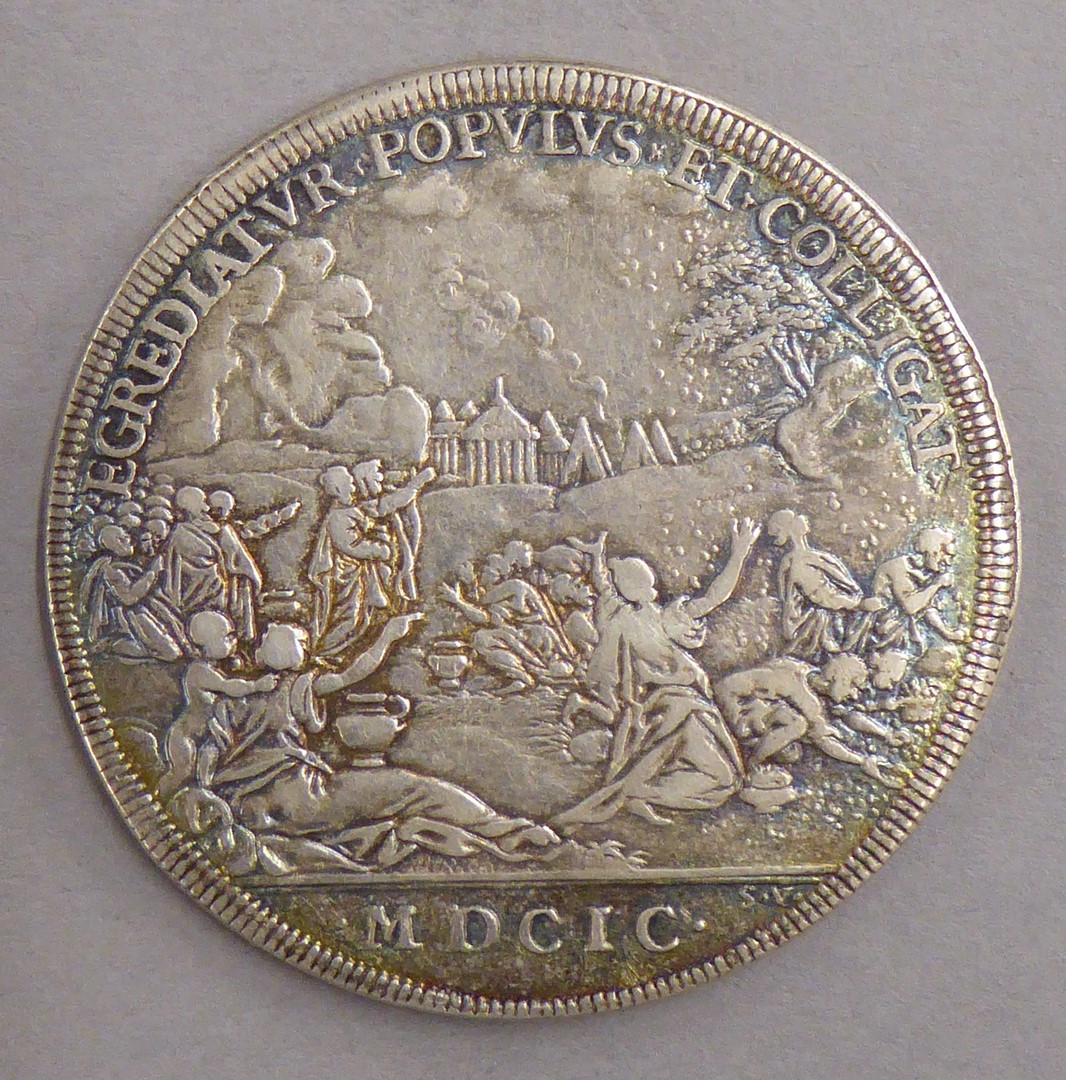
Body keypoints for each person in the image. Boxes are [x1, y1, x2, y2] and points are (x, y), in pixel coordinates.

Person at [210, 617, 561, 866]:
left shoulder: (236, 694)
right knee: (415, 789)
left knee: (402, 790)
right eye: (302, 643)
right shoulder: (297, 686)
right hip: (310, 800)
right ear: (289, 651)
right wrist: (388, 636)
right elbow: (355, 672)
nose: (307, 647)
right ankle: (504, 830)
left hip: (260, 800)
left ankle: (500, 827)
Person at [550, 521, 759, 829]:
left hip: (657, 712)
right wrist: (739, 553)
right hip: (684, 710)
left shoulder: (618, 618)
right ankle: (634, 794)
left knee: (721, 777)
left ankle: (634, 794)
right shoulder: (665, 617)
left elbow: (604, 587)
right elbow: (714, 597)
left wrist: (597, 559)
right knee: (724, 779)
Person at [715, 654, 902, 807]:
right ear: (841, 679)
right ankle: (752, 765)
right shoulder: (808, 701)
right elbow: (824, 742)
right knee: (797, 725)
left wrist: (885, 734)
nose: (853, 695)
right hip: (732, 708)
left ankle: (753, 749)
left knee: (791, 750)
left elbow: (849, 716)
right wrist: (862, 761)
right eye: (854, 687)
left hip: (733, 701)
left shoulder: (803, 670)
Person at [308, 461, 434, 659]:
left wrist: (415, 485)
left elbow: (388, 504)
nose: (354, 487)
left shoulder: (354, 509)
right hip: (346, 578)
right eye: (350, 483)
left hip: (359, 576)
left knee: (362, 617)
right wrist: (380, 550)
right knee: (350, 617)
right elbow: (352, 545)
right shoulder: (338, 518)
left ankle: (344, 649)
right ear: (338, 489)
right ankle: (325, 652)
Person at [156, 611, 277, 803]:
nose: (234, 641)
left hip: (207, 734)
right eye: (226, 638)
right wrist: (257, 686)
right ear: (206, 645)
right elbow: (228, 687)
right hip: (186, 737)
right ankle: (160, 797)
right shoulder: (199, 672)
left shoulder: (216, 666)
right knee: (182, 772)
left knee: (208, 762)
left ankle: (205, 792)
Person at [439, 555, 578, 694]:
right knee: (486, 638)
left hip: (534, 637)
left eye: (486, 570)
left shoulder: (512, 586)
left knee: (481, 639)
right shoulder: (503, 589)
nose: (482, 574)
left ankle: (521, 677)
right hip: (527, 636)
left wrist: (458, 599)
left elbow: (482, 616)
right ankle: (518, 677)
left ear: (497, 572)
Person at [767, 509, 878, 661]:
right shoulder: (796, 563)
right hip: (822, 627)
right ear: (791, 528)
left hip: (841, 610)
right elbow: (821, 596)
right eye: (798, 517)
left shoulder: (815, 556)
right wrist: (859, 605)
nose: (804, 518)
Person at [847, 526, 965, 653]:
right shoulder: (899, 568)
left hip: (904, 639)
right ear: (934, 552)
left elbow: (927, 609)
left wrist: (947, 633)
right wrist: (937, 584)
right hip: (882, 638)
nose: (948, 563)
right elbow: (910, 606)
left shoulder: (926, 573)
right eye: (947, 556)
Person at [81, 525, 187, 661]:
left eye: (127, 536)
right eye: (122, 539)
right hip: (131, 617)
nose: (129, 540)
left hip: (145, 610)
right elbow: (129, 597)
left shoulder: (131, 563)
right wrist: (152, 572)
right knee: (171, 653)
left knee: (175, 646)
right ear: (113, 545)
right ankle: (113, 644)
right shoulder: (111, 570)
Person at [208, 489, 300, 642]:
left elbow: (258, 527)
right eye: (222, 509)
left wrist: (282, 515)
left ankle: (240, 641)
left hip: (239, 580)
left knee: (241, 617)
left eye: (227, 509)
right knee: (235, 618)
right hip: (229, 582)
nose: (225, 513)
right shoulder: (217, 530)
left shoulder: (228, 528)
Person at [162, 486, 226, 616]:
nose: (206, 508)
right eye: (202, 502)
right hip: (194, 597)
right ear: (190, 506)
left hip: (210, 593)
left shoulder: (197, 529)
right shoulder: (182, 534)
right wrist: (213, 573)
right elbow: (197, 565)